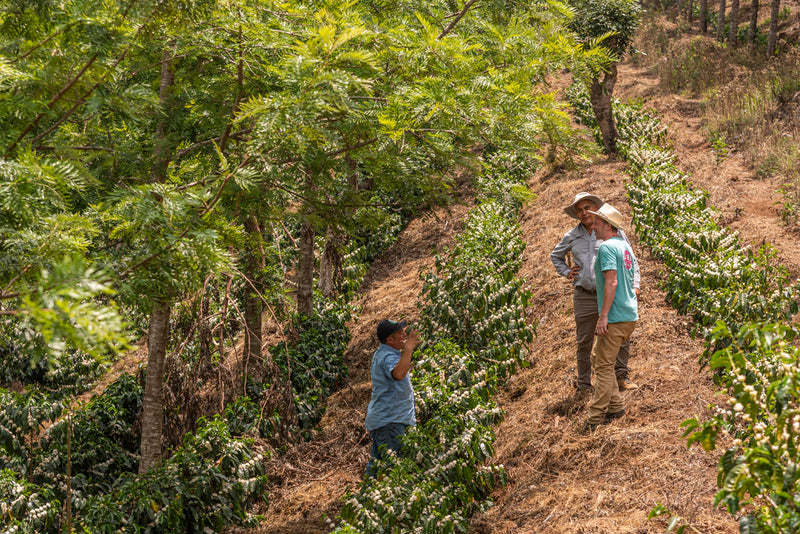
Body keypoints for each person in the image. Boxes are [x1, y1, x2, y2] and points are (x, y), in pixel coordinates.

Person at [550, 192, 640, 395]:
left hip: (612, 293)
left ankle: (621, 375)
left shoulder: (611, 231)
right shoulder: (572, 236)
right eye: (579, 210)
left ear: (595, 208)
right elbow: (556, 256)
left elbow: (631, 258)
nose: (584, 213)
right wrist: (566, 272)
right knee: (584, 341)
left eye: (587, 208)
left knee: (619, 335)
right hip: (585, 294)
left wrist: (635, 283)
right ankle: (584, 385)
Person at [584, 203, 639, 432]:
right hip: (629, 314)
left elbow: (612, 281)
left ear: (608, 226)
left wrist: (603, 316)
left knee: (604, 365)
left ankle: (595, 417)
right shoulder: (624, 247)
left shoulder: (607, 248)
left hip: (615, 316)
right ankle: (616, 406)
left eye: (597, 223)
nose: (593, 226)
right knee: (599, 358)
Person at [364, 319, 421, 477]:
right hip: (390, 422)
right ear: (390, 339)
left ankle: (364, 499)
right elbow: (398, 374)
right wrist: (408, 350)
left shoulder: (385, 353)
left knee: (376, 469)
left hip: (385, 421)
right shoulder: (387, 356)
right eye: (400, 333)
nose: (405, 335)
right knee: (396, 470)